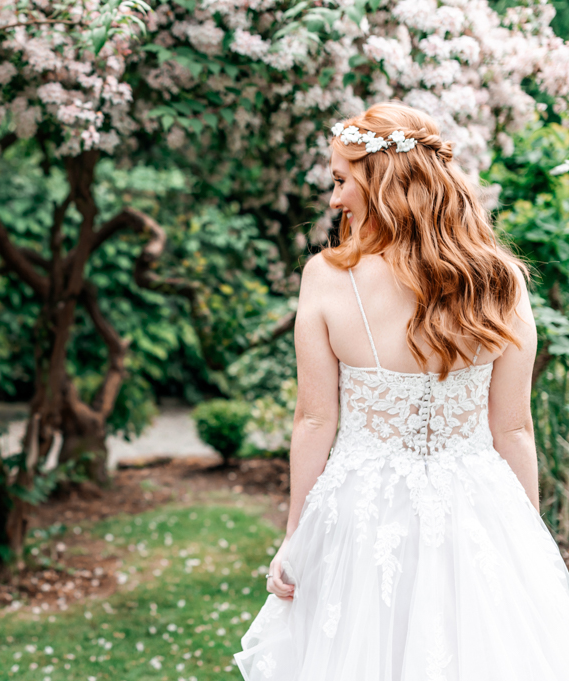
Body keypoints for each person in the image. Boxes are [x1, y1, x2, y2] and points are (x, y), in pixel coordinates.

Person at [234, 102, 569, 678]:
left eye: (341, 179)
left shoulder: (326, 277)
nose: (334, 199)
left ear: (381, 180)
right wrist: (527, 543)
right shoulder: (501, 280)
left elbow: (316, 421)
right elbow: (512, 428)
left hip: (362, 513)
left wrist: (295, 538)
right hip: (478, 509)